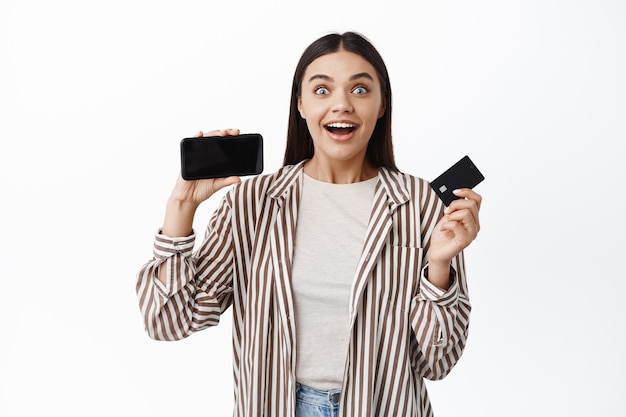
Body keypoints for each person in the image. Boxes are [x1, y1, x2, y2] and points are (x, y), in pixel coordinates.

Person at [136, 31, 482, 417]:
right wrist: (181, 207)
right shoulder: (251, 205)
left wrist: (438, 268)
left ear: (382, 104)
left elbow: (439, 362)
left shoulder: (419, 205)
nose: (341, 105)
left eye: (361, 90)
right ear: (299, 104)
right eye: (322, 90)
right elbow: (167, 321)